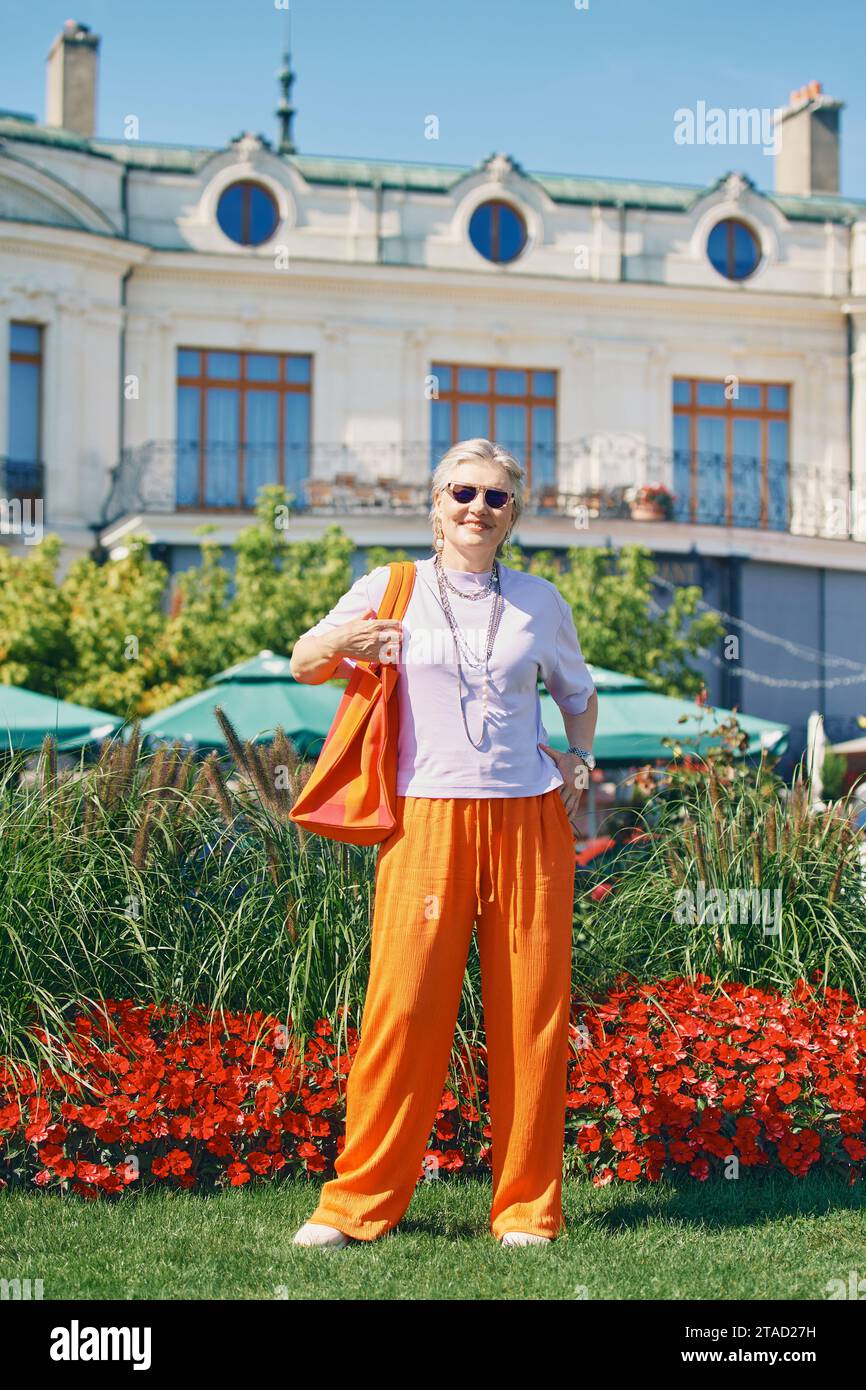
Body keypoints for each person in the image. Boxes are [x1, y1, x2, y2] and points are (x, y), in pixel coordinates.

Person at [289, 438, 598, 1248]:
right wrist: (349, 644)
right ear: (436, 503)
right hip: (425, 817)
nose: (477, 508)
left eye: (496, 498)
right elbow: (302, 660)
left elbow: (578, 693)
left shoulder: (540, 599)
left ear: (514, 515)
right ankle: (356, 1204)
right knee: (404, 1007)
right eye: (463, 492)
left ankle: (527, 1210)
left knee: (531, 1012)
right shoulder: (390, 587)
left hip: (529, 817)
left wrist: (581, 759)